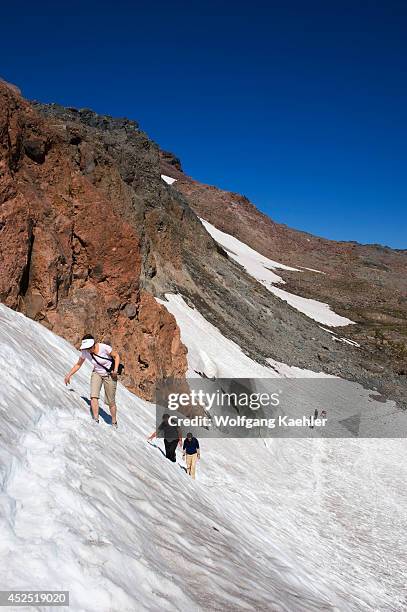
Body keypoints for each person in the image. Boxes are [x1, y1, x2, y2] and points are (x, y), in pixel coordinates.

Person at [64, 334, 120, 427]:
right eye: (86, 348)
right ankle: (96, 419)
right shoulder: (85, 352)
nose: (88, 350)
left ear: (93, 344)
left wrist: (116, 370)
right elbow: (78, 364)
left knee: (110, 401)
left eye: (89, 348)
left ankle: (114, 421)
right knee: (94, 396)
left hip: (109, 375)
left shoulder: (104, 348)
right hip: (97, 373)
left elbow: (116, 356)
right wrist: (69, 375)